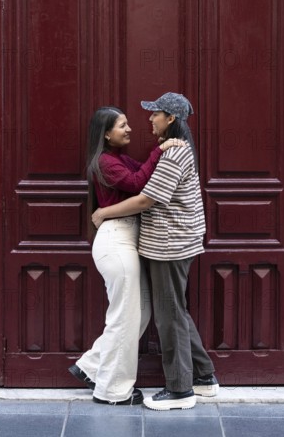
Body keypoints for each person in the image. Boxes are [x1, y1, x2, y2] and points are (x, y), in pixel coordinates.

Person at [92, 93, 219, 411]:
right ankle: (204, 378)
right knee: (177, 310)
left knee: (169, 315)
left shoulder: (174, 153)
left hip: (169, 245)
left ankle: (180, 390)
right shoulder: (170, 150)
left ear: (171, 119)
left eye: (156, 114)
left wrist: (102, 213)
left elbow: (148, 198)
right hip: (170, 242)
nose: (149, 119)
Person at [68, 106, 184, 405]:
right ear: (106, 133)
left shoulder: (119, 158)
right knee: (125, 316)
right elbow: (137, 184)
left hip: (126, 238)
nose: (129, 128)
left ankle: (92, 365)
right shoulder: (105, 161)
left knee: (140, 312)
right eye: (122, 125)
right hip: (116, 241)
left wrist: (160, 151)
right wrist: (162, 150)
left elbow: (143, 171)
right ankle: (112, 390)